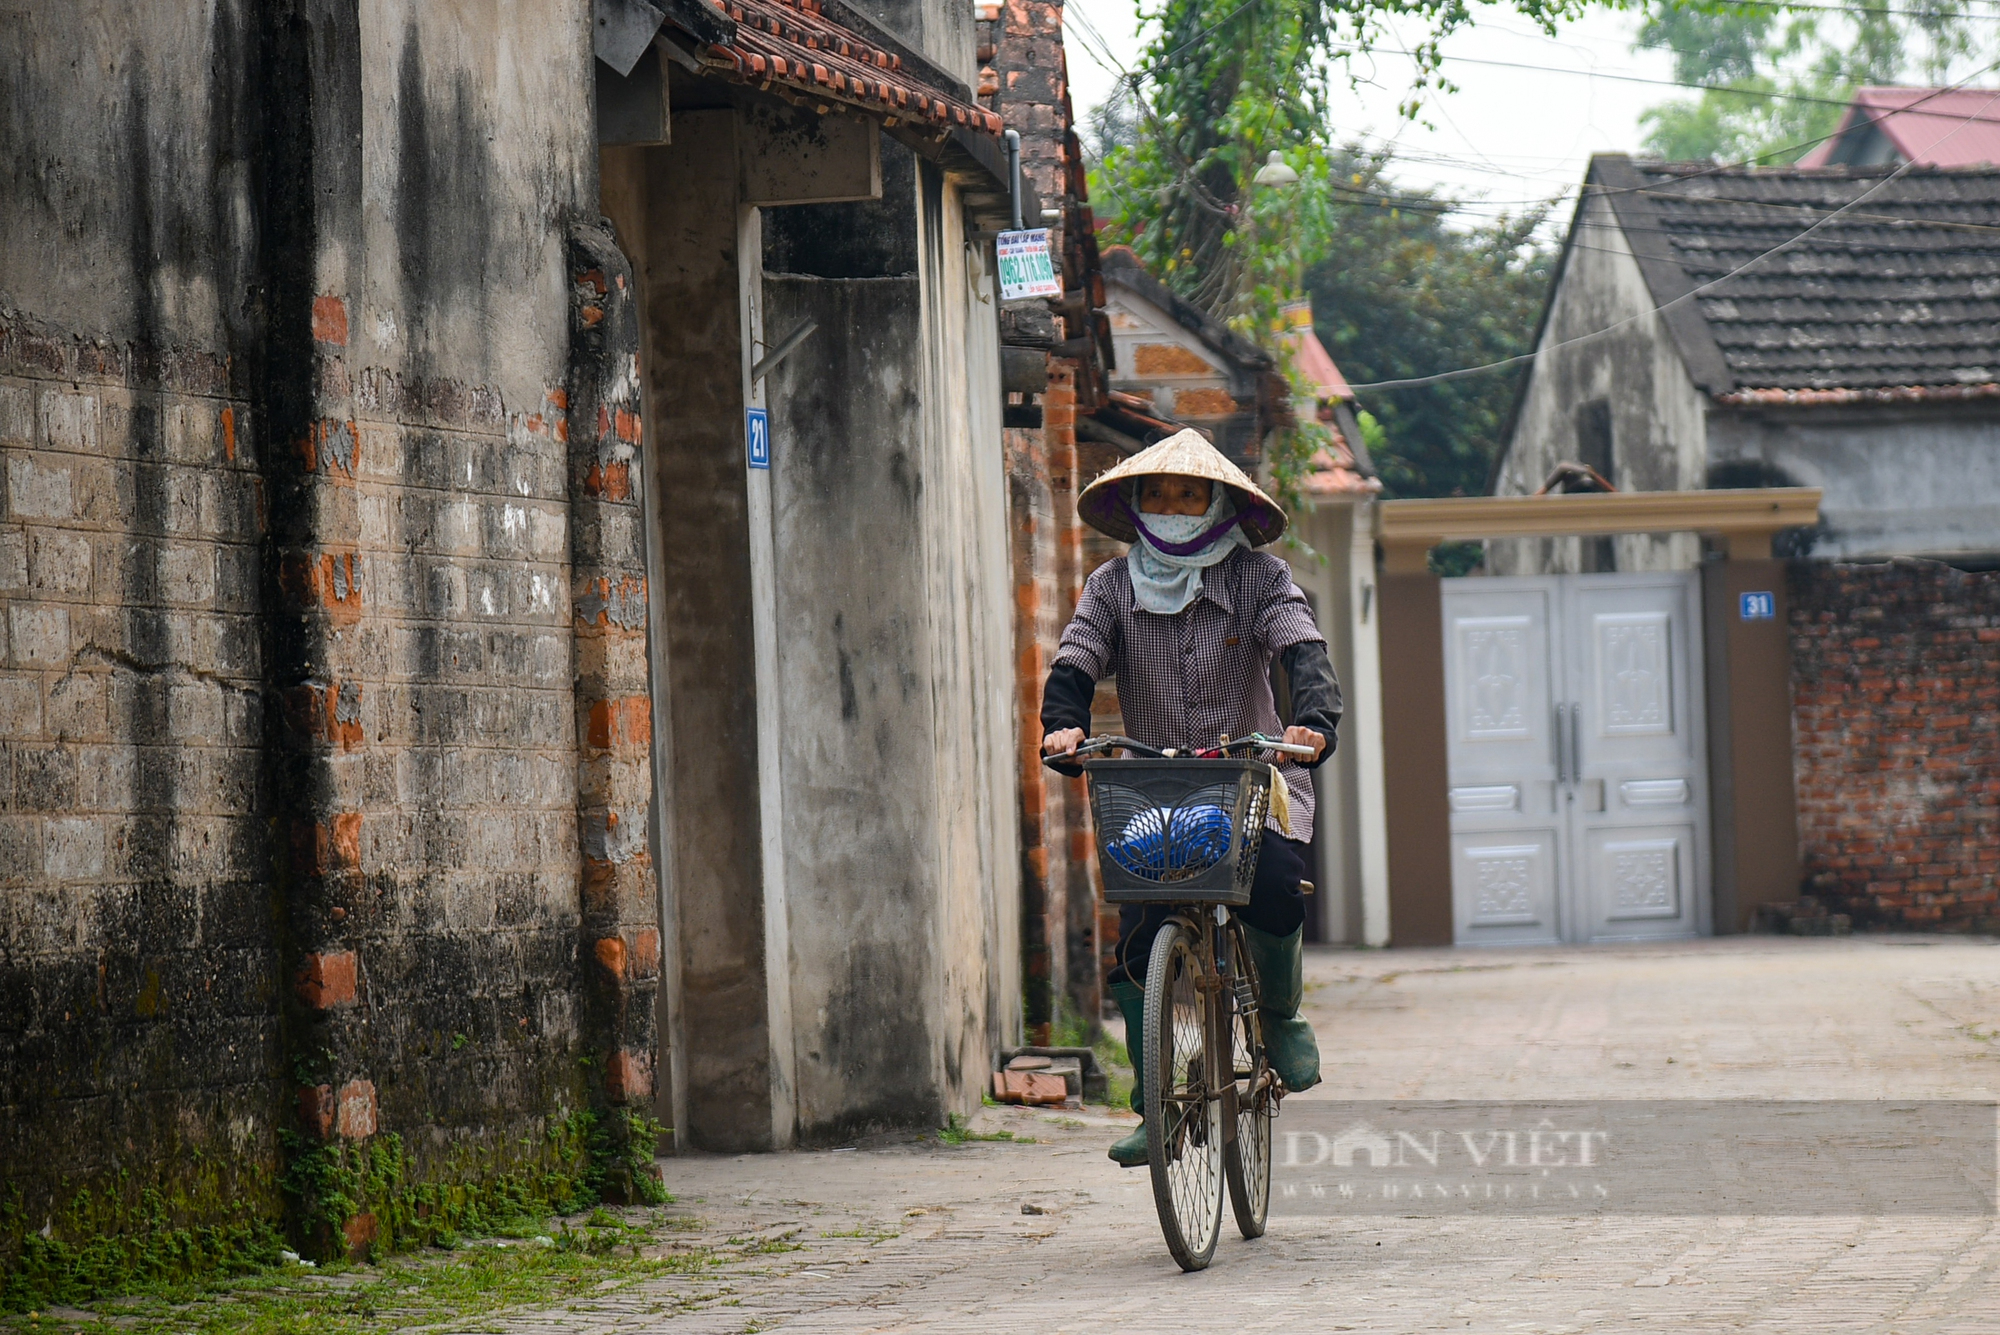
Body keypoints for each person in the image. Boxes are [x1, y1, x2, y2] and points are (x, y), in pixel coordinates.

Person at [1040, 429, 1341, 1168]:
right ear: (1137, 505)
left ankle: (1279, 1013)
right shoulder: (1111, 586)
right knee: (1140, 937)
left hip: (1249, 781)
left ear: (1218, 504)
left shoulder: (1258, 578)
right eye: (1159, 494)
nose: (1172, 506)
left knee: (1273, 885)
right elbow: (1077, 654)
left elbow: (1301, 645)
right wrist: (1062, 723)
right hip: (1157, 788)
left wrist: (1314, 717)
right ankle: (1156, 1106)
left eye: (1189, 493)